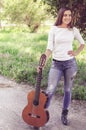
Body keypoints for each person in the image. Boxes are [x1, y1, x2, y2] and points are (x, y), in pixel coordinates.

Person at [37, 7, 85, 125]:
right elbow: (49, 48)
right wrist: (42, 63)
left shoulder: (73, 30)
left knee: (68, 90)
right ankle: (40, 113)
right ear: (60, 16)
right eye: (65, 15)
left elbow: (82, 43)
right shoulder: (54, 29)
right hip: (56, 64)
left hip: (70, 64)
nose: (67, 17)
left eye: (69, 15)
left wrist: (76, 53)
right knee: (50, 90)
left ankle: (64, 113)